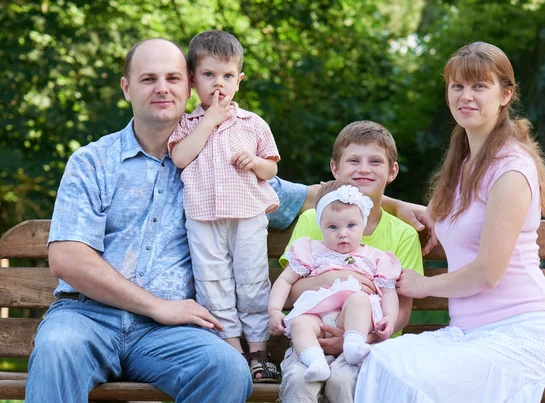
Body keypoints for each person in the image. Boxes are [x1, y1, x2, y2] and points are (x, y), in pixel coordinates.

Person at [24, 38, 253, 403]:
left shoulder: (222, 160)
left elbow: (300, 195)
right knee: (56, 348)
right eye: (148, 79)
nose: (162, 88)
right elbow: (66, 257)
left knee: (225, 368)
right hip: (88, 318)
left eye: (172, 78)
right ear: (127, 89)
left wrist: (363, 190)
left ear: (190, 85)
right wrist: (158, 306)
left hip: (168, 336)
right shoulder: (92, 162)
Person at [355, 42, 545, 403]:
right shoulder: (466, 163)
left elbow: (487, 273)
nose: (466, 96)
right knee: (378, 361)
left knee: (402, 378)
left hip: (518, 338)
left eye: (479, 86)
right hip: (470, 335)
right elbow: (451, 221)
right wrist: (402, 206)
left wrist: (423, 285)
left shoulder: (511, 169)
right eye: (458, 86)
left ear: (506, 94)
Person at [278, 121, 424, 403]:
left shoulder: (403, 234)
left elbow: (402, 313)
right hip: (311, 338)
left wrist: (363, 339)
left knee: (345, 381)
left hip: (369, 345)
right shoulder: (313, 221)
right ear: (335, 168)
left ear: (392, 171)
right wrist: (333, 279)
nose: (364, 169)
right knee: (298, 380)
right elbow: (290, 293)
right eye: (354, 160)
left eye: (375, 161)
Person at [168, 30, 281, 382]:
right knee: (212, 281)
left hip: (247, 215)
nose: (219, 83)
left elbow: (271, 167)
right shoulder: (185, 124)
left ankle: (259, 351)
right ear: (192, 80)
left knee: (251, 281)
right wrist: (209, 121)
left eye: (228, 76)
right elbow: (181, 158)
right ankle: (233, 348)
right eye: (209, 75)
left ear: (239, 80)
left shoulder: (252, 123)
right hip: (203, 218)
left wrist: (256, 163)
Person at [269, 181, 402, 382]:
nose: (342, 233)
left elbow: (388, 291)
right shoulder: (310, 251)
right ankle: (315, 361)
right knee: (299, 323)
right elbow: (285, 280)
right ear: (320, 226)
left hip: (352, 321)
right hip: (317, 320)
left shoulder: (375, 257)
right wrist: (274, 310)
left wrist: (390, 316)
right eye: (332, 226)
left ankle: (353, 346)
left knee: (359, 299)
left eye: (351, 225)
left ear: (362, 224)